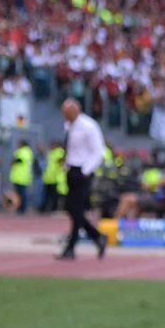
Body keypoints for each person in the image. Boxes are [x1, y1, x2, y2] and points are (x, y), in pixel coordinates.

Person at [59, 98, 107, 260]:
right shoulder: (69, 126)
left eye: (67, 113)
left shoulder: (89, 126)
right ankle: (97, 236)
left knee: (75, 209)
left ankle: (71, 247)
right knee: (72, 209)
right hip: (71, 169)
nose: (64, 116)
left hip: (82, 171)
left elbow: (98, 152)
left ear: (76, 110)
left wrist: (85, 170)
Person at [10, 138, 36, 213]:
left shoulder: (23, 151)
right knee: (20, 194)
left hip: (20, 176)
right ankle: (21, 208)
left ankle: (22, 208)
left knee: (21, 194)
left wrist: (13, 161)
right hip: (22, 176)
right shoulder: (28, 152)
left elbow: (18, 160)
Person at [41, 142, 66, 213]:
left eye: (52, 144)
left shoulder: (59, 152)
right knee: (48, 194)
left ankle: (54, 208)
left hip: (55, 177)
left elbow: (62, 161)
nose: (51, 146)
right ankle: (47, 208)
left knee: (55, 195)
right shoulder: (51, 153)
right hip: (49, 178)